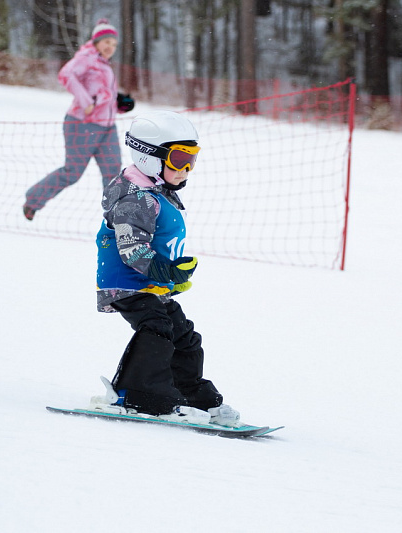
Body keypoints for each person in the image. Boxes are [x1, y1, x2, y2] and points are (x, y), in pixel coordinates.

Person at [91, 110, 240, 427]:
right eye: (179, 159)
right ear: (149, 157)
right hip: (126, 284)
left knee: (185, 336)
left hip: (149, 285)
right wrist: (165, 271)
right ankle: (134, 395)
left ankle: (189, 395)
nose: (186, 169)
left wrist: (173, 275)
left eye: (191, 159)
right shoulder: (134, 198)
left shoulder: (158, 192)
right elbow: (132, 249)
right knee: (157, 329)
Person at [23, 18, 135, 221]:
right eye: (106, 42)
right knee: (72, 172)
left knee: (113, 174)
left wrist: (118, 103)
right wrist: (86, 102)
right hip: (82, 125)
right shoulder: (86, 57)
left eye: (114, 44)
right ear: (96, 41)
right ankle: (33, 200)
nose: (110, 47)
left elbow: (98, 92)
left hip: (107, 127)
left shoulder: (104, 64)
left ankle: (117, 219)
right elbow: (65, 75)